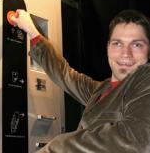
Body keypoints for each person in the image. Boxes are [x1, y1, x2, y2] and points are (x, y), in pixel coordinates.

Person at [11, 9, 150, 153]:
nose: (126, 54)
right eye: (117, 44)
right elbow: (64, 74)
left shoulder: (145, 81)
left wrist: (56, 146)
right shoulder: (100, 89)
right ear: (108, 47)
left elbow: (136, 141)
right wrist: (32, 31)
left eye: (136, 44)